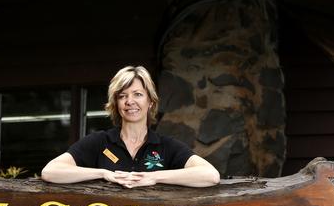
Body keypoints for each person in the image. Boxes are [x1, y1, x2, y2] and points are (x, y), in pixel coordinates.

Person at [41, 66, 220, 188]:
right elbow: (50, 172)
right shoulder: (99, 142)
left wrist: (154, 177)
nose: (130, 102)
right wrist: (103, 173)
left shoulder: (165, 146)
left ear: (150, 102)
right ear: (116, 103)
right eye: (122, 96)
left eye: (138, 94)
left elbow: (210, 175)